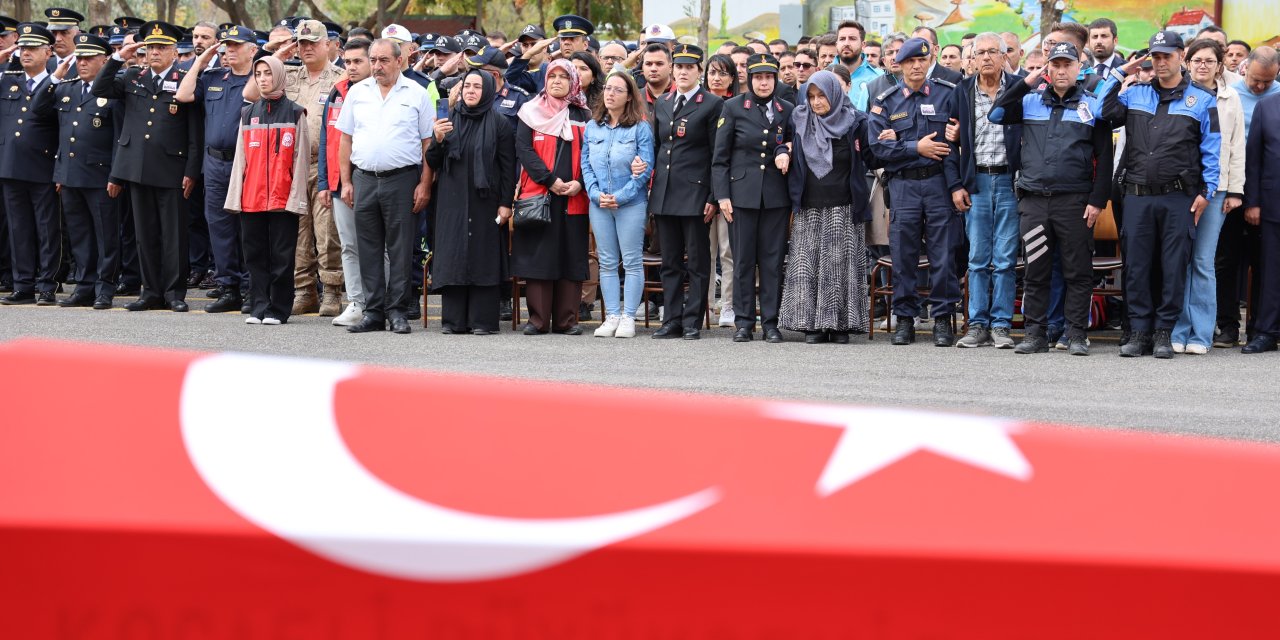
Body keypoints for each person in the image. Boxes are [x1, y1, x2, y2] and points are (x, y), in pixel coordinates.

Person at [1101, 30, 1220, 358]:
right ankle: (1139, 332)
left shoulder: (1204, 101)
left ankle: (1164, 332)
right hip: (1137, 196)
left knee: (1173, 265)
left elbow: (1212, 150)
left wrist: (1207, 192)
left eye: (1167, 55)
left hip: (1178, 197)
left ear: (1181, 56)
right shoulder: (1134, 94)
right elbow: (1101, 110)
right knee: (1136, 266)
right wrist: (1119, 73)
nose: (1161, 61)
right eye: (1156, 56)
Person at [990, 41, 1112, 355]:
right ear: (1048, 68)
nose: (1060, 70)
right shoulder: (1029, 101)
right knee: (1036, 270)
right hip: (1033, 202)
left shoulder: (1092, 105)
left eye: (1067, 65)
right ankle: (1035, 334)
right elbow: (997, 112)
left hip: (1075, 203)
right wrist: (1027, 80)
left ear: (1078, 68)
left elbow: (1105, 156)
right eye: (1055, 65)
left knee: (1077, 271)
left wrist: (1097, 201)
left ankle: (1075, 335)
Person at [91, 21, 202, 313]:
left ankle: (174, 292)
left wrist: (192, 169)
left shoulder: (184, 78)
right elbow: (99, 88)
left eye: (161, 47)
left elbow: (194, 130)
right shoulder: (132, 77)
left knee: (174, 235)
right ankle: (150, 291)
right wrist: (117, 57)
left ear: (174, 51)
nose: (154, 52)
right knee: (145, 233)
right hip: (137, 167)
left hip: (172, 168)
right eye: (151, 47)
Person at [868, 37, 970, 347]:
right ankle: (905, 319)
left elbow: (955, 144)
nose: (916, 66)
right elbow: (877, 148)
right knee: (903, 255)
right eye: (910, 61)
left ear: (928, 62)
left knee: (943, 255)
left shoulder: (948, 94)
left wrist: (955, 185)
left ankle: (941, 319)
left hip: (939, 183)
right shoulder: (885, 100)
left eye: (921, 61)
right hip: (903, 186)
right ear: (898, 64)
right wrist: (917, 147)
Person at [335, 38, 434, 335]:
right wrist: (347, 181)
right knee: (368, 248)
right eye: (373, 60)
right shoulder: (357, 93)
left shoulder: (417, 94)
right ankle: (374, 312)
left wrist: (425, 184)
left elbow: (428, 142)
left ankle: (398, 311)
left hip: (403, 179)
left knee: (402, 248)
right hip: (364, 178)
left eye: (383, 60)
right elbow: (345, 139)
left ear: (399, 61)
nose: (377, 66)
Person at [246, 19, 345, 317]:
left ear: (327, 44)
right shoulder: (287, 76)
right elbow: (251, 95)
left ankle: (332, 291)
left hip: (325, 164)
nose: (306, 48)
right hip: (290, 166)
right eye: (301, 43)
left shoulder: (341, 79)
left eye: (312, 42)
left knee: (328, 232)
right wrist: (278, 56)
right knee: (297, 233)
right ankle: (304, 291)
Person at [781, 70, 875, 344]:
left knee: (839, 267)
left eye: (822, 95)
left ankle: (840, 325)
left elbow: (870, 156)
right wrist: (780, 152)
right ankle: (812, 325)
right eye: (811, 96)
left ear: (835, 93)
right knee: (806, 265)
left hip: (844, 206)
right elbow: (782, 144)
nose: (816, 102)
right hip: (808, 205)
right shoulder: (799, 119)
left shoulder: (857, 121)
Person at [31, 33, 122, 310]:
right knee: (80, 235)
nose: (81, 63)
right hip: (70, 175)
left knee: (106, 235)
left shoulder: (113, 91)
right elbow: (38, 109)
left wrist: (116, 176)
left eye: (88, 58)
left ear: (104, 60)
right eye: (79, 58)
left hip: (101, 175)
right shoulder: (67, 87)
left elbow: (120, 137)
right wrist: (55, 77)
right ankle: (84, 285)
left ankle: (104, 288)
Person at [1165, 40, 1243, 354]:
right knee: (1180, 260)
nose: (1202, 66)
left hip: (1216, 189)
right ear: (1187, 62)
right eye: (1197, 60)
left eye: (1209, 61)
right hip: (1181, 189)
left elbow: (1237, 147)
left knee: (1203, 261)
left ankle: (1201, 333)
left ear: (1219, 65)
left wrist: (1235, 190)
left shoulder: (1229, 97)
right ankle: (1179, 329)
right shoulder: (1177, 93)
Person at [175, 25, 258, 315]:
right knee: (219, 226)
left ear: (252, 49)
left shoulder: (257, 79)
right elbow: (183, 96)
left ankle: (251, 287)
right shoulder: (212, 77)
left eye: (236, 45)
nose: (229, 50)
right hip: (214, 162)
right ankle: (228, 287)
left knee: (247, 227)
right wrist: (200, 60)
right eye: (227, 45)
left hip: (244, 162)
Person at [427, 70, 517, 335]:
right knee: (454, 255)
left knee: (483, 256)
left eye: (477, 86)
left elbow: (507, 167)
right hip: (451, 201)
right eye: (467, 86)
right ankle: (454, 321)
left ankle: (482, 321)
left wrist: (505, 202)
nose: (471, 91)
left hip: (486, 202)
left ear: (488, 90)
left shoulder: (499, 122)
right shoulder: (448, 118)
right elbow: (433, 161)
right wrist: (439, 139)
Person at [712, 53, 794, 343]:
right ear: (749, 79)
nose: (763, 82)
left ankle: (771, 322)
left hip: (775, 197)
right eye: (758, 77)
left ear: (775, 79)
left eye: (768, 77)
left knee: (772, 262)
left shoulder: (788, 109)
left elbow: (792, 143)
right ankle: (744, 322)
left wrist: (787, 149)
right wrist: (722, 195)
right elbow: (720, 157)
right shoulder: (733, 107)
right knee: (743, 260)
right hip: (741, 196)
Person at [224, 56, 309, 325]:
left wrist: (297, 199)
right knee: (255, 255)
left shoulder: (296, 113)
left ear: (280, 76)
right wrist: (235, 197)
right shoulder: (248, 113)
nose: (262, 78)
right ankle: (259, 305)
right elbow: (240, 160)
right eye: (258, 74)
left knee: (282, 256)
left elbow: (301, 160)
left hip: (283, 198)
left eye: (267, 74)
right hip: (252, 197)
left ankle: (278, 308)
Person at [511, 59, 591, 335]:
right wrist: (551, 180)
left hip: (574, 197)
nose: (557, 81)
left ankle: (567, 321)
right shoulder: (528, 112)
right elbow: (524, 151)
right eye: (551, 76)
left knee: (571, 256)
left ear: (573, 82)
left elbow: (591, 155)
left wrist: (579, 183)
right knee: (539, 257)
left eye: (563, 76)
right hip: (540, 195)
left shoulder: (583, 115)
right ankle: (538, 320)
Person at [650, 45, 723, 341]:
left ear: (699, 71)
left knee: (696, 261)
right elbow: (660, 147)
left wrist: (712, 196)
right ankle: (672, 319)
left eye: (689, 67)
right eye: (678, 66)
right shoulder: (664, 102)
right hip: (666, 193)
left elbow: (716, 154)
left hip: (695, 193)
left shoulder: (712, 103)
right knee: (669, 262)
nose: (682, 72)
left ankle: (692, 320)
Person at [955, 33, 1022, 349]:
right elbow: (950, 143)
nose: (986, 58)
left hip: (1009, 182)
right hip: (977, 182)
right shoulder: (962, 91)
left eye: (993, 52)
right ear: (972, 57)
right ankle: (977, 324)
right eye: (980, 52)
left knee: (1006, 259)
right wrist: (957, 185)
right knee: (978, 258)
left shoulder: (1019, 91)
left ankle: (1001, 325)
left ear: (1004, 56)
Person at [582, 70, 654, 338]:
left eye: (617, 90)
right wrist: (594, 193)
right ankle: (612, 314)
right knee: (607, 261)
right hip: (599, 203)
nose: (610, 94)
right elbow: (585, 164)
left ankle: (628, 317)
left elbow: (645, 170)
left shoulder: (640, 128)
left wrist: (621, 196)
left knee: (632, 261)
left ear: (629, 97)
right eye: (608, 89)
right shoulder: (593, 126)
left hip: (631, 204)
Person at [0, 24, 60, 306]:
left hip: (43, 165)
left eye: (33, 48)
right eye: (22, 48)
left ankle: (47, 284)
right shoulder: (7, 80)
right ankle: (23, 284)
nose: (25, 53)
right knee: (18, 228)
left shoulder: (59, 83)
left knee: (47, 228)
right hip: (10, 166)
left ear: (48, 52)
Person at [319, 40, 376, 327]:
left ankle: (381, 301)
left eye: (358, 61)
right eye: (348, 62)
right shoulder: (337, 92)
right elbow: (326, 139)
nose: (351, 67)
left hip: (373, 181)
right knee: (349, 246)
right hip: (339, 184)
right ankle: (357, 302)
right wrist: (324, 184)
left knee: (381, 246)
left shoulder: (379, 92)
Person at [1242, 91, 1280, 353]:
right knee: (1271, 271)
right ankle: (1267, 332)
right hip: (1272, 203)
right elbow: (1253, 159)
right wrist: (1252, 202)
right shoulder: (1267, 106)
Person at [703, 53, 738, 327]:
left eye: (723, 73)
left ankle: (727, 305)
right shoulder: (699, 104)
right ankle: (702, 304)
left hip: (729, 189)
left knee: (727, 250)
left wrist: (721, 193)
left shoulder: (738, 105)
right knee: (705, 251)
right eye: (712, 72)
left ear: (732, 79)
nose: (716, 78)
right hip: (701, 190)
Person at [835, 20, 883, 111]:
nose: (846, 43)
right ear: (836, 44)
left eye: (852, 38)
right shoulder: (825, 75)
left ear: (863, 45)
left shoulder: (879, 77)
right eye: (842, 39)